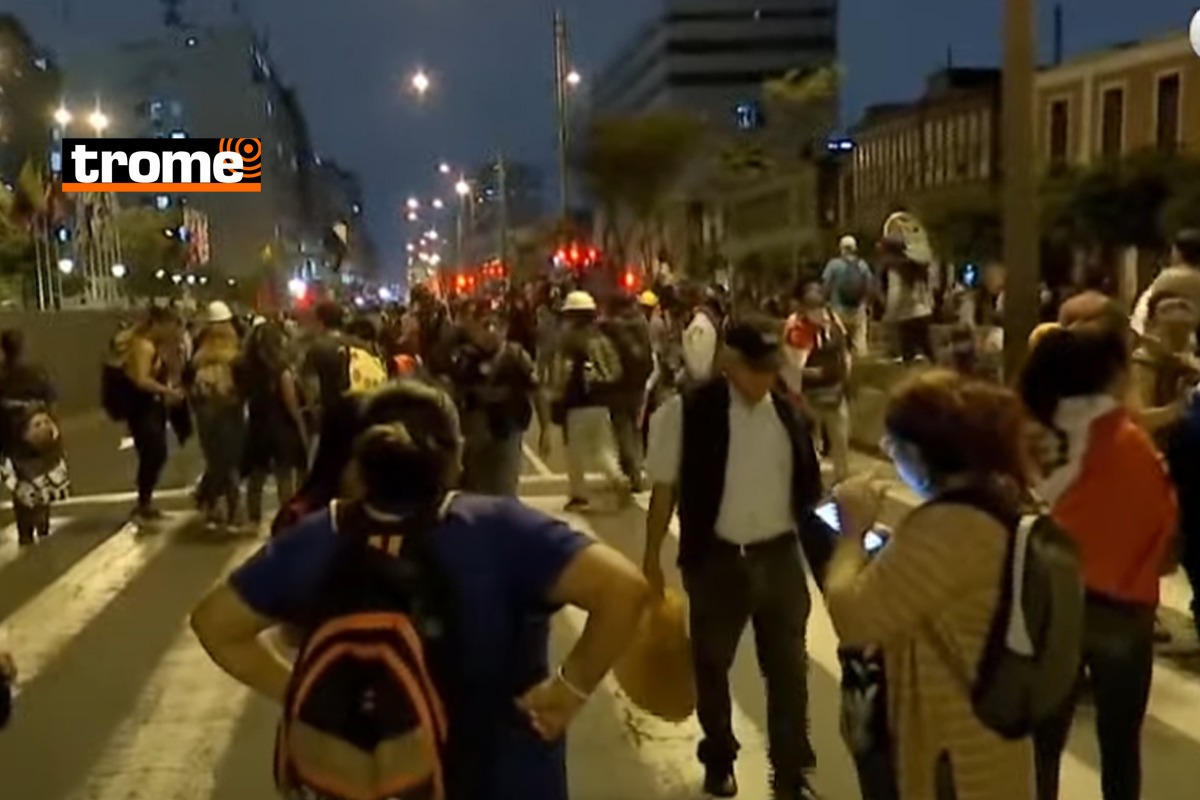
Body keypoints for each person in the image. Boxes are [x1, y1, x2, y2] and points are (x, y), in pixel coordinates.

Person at [191, 379, 649, 800]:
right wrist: (570, 690)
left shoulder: (318, 537)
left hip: (371, 781)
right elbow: (623, 589)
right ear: (455, 456)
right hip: (503, 778)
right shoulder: (501, 529)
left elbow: (215, 624)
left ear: (360, 462)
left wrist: (298, 692)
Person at [642, 314, 833, 800]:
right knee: (711, 665)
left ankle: (790, 773)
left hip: (779, 557)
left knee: (789, 671)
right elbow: (663, 488)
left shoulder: (790, 416)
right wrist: (651, 558)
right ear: (729, 362)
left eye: (770, 369)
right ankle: (720, 758)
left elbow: (810, 495)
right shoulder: (687, 413)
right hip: (717, 559)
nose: (764, 379)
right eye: (755, 369)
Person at [825, 370, 1035, 800]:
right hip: (988, 737)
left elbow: (854, 617)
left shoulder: (949, 526)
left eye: (895, 444)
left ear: (924, 455)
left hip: (955, 750)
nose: (887, 451)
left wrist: (850, 533)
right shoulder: (993, 499)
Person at [1018, 324, 1177, 800]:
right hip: (1122, 608)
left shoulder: (1033, 433)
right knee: (1119, 745)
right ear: (1107, 377)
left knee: (1042, 741)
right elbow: (1162, 526)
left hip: (1051, 604)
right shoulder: (1127, 443)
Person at [549, 291, 630, 512]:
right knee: (603, 448)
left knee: (574, 452)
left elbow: (563, 371)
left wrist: (557, 393)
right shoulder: (601, 338)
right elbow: (616, 370)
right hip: (601, 401)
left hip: (577, 403)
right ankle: (618, 478)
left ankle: (579, 495)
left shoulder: (569, 340)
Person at [242, 321, 309, 528]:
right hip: (282, 427)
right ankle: (286, 517)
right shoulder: (282, 370)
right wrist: (302, 427)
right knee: (284, 475)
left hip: (257, 426)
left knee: (257, 476)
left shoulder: (248, 367)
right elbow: (291, 403)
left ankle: (253, 517)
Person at [187, 301, 247, 527]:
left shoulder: (200, 350)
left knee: (218, 459)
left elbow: (189, 379)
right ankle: (229, 506)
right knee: (228, 460)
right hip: (227, 407)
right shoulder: (237, 351)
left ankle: (211, 500)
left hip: (208, 408)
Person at [124, 306, 184, 522]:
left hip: (152, 407)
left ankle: (145, 501)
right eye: (169, 325)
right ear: (158, 324)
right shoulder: (144, 346)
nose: (171, 330)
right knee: (154, 452)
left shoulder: (156, 346)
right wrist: (167, 391)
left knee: (155, 453)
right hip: (141, 408)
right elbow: (141, 379)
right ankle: (143, 502)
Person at [823, 235, 874, 355]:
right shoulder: (862, 265)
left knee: (839, 345)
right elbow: (870, 286)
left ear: (841, 248)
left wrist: (824, 302)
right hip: (858, 309)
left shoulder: (833, 265)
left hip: (838, 309)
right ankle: (862, 369)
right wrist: (867, 303)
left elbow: (826, 286)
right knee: (859, 343)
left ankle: (843, 368)